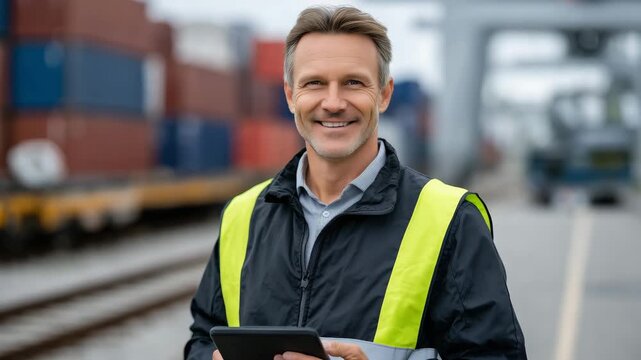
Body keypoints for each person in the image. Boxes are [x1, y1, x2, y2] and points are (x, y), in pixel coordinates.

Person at [184, 5, 527, 360]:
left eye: (353, 82)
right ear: (290, 95)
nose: (333, 103)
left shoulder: (451, 220)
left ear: (384, 94)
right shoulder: (243, 214)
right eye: (315, 83)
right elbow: (202, 338)